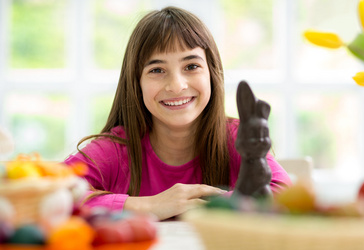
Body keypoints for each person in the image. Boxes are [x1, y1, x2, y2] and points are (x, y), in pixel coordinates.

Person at [65, 6, 291, 220]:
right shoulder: (114, 149)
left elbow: (282, 194)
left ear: (212, 74)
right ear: (137, 83)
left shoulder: (235, 137)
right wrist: (149, 205)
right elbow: (50, 192)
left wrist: (205, 205)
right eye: (157, 70)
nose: (176, 85)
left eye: (191, 66)